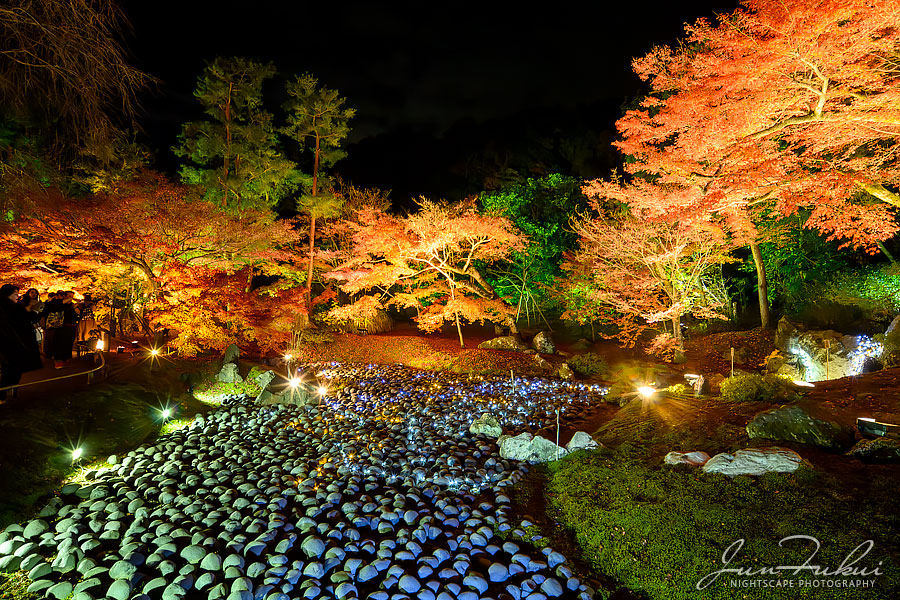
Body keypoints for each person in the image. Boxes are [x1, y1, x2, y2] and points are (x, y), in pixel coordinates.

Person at [0, 284, 43, 400]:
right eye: (15, 294)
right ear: (7, 295)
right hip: (10, 343)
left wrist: (31, 310)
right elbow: (19, 320)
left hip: (16, 343)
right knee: (10, 369)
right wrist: (29, 310)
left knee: (14, 369)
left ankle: (10, 392)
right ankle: (4, 394)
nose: (17, 297)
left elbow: (24, 318)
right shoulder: (6, 308)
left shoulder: (15, 306)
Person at [52, 291, 79, 369]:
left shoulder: (73, 305)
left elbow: (78, 313)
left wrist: (75, 307)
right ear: (65, 296)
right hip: (61, 327)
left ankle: (67, 360)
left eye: (72, 296)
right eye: (69, 296)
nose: (71, 297)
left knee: (69, 344)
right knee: (60, 344)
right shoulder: (60, 304)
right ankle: (58, 361)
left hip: (71, 327)